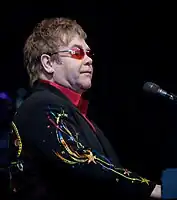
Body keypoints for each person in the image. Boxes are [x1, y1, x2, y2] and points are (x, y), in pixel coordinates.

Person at [13, 17, 161, 199]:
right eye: (77, 52)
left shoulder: (72, 111)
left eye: (89, 53)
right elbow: (83, 163)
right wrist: (154, 189)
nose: (89, 60)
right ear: (48, 63)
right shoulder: (40, 106)